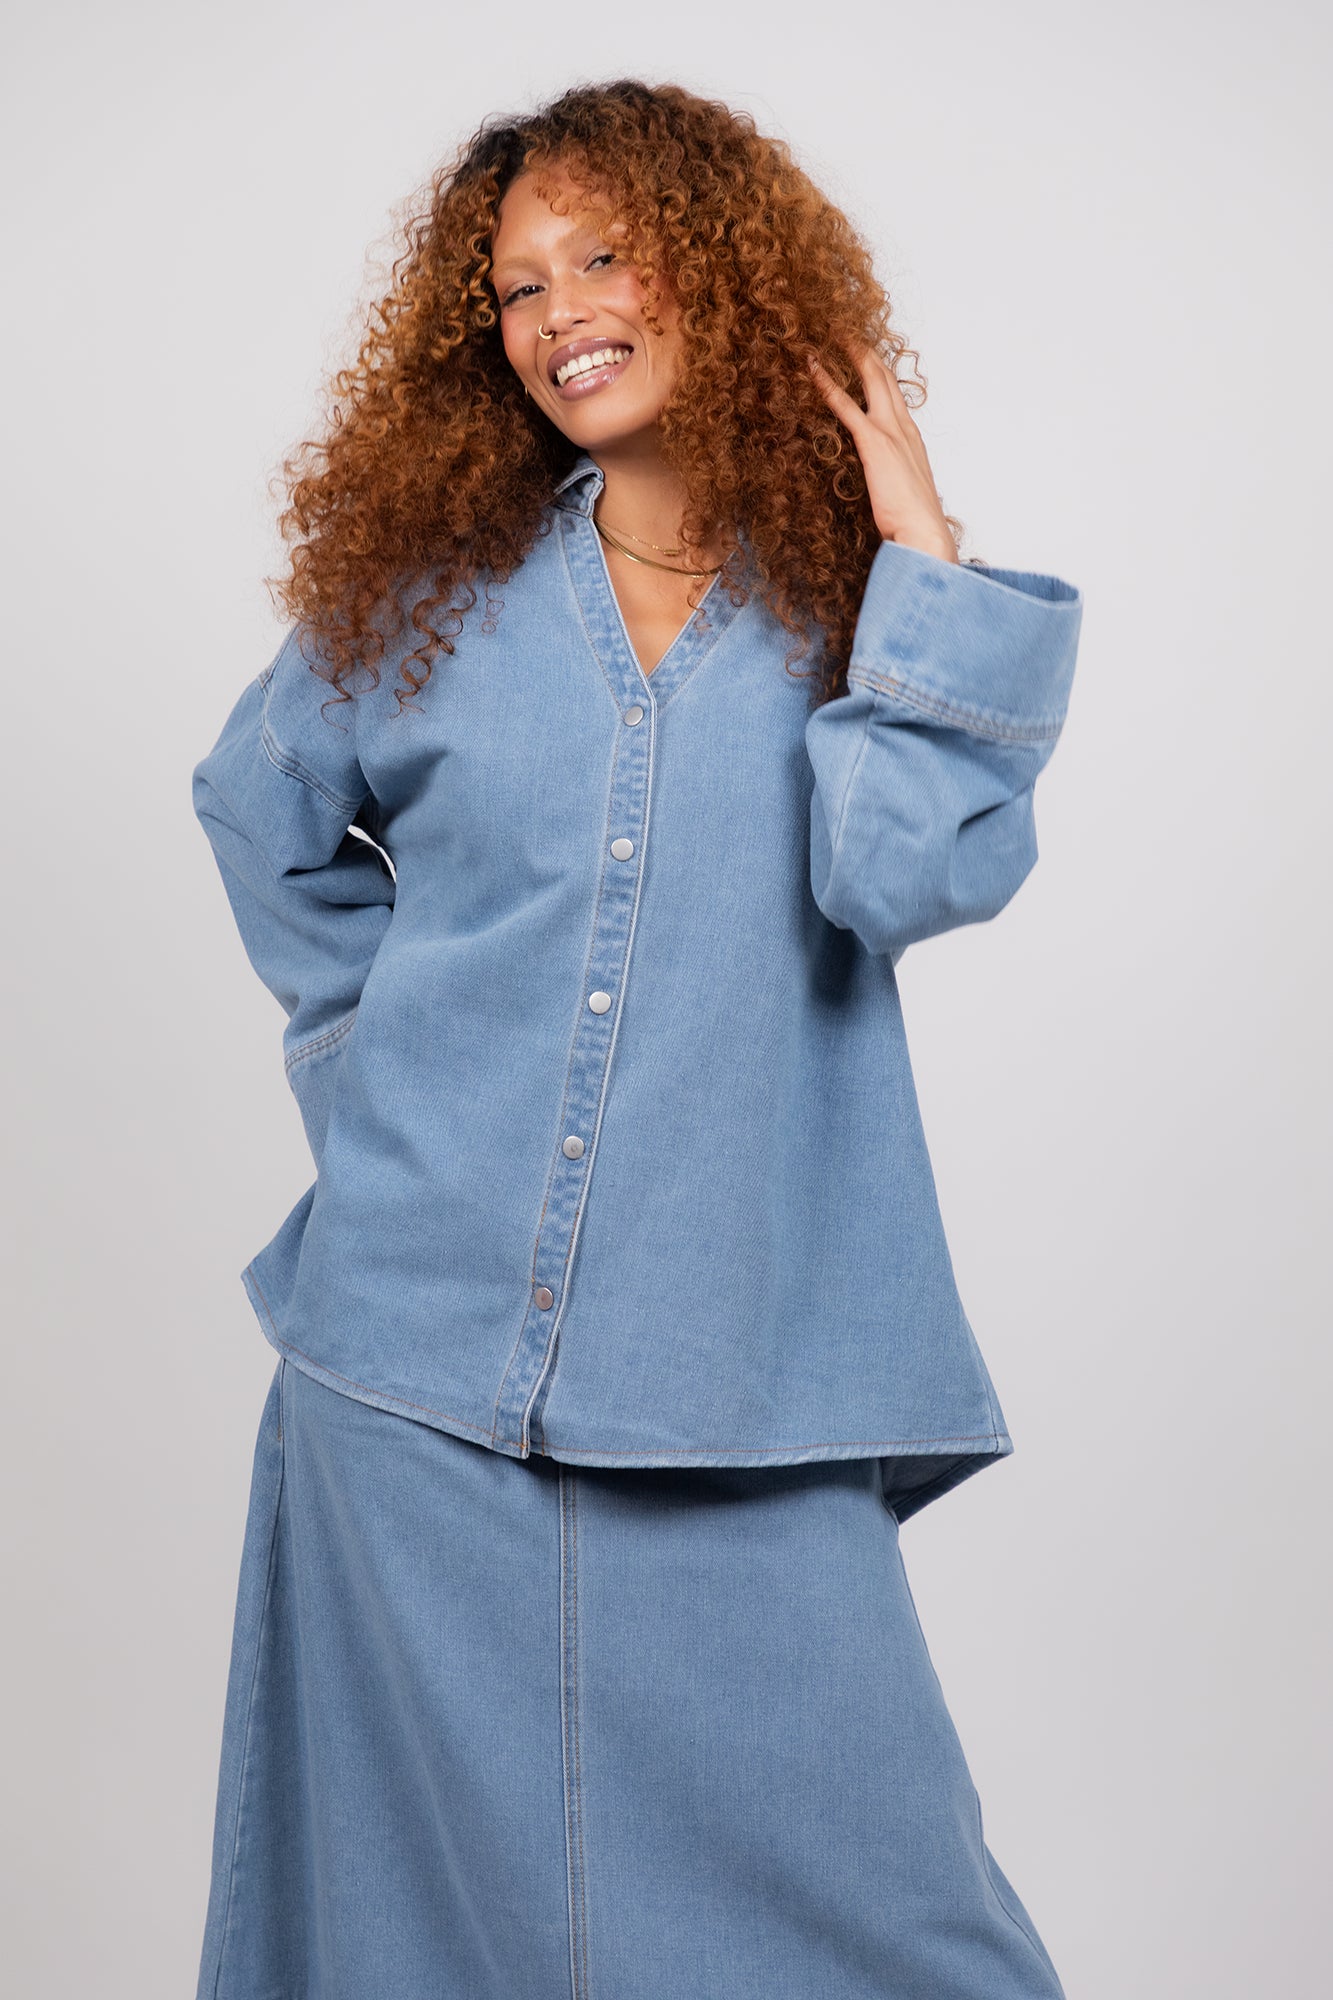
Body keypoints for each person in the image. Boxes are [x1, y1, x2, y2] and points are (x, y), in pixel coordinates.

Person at [191, 77, 1083, 2000]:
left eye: (604, 255)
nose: (559, 310)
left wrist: (924, 553)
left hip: (742, 1377)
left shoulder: (850, 611)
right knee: (396, 1927)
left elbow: (909, 875)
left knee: (902, 1918)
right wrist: (377, 1077)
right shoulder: (423, 599)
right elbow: (255, 809)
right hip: (407, 1379)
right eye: (517, 285)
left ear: (725, 276)